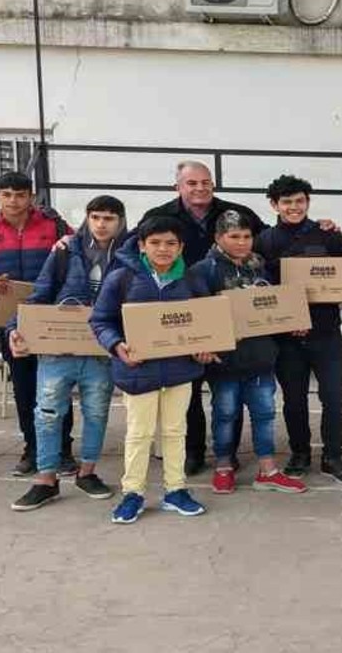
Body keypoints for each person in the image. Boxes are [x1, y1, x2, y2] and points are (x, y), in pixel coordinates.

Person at [137, 161, 265, 477]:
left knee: (229, 390)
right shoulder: (159, 216)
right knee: (188, 390)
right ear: (178, 186)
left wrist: (322, 225)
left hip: (231, 314)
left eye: (206, 182)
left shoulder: (235, 211)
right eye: (192, 183)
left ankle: (228, 454)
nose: (200, 188)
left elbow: (269, 243)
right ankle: (192, 451)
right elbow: (131, 250)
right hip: (183, 311)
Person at [90, 215, 215, 524]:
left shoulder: (192, 281)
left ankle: (176, 490)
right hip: (137, 372)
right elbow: (100, 320)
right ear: (142, 246)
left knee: (175, 432)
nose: (163, 249)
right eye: (155, 243)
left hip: (180, 371)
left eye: (171, 243)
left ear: (181, 247)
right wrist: (117, 345)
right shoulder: (122, 278)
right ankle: (132, 493)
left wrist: (206, 347)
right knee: (139, 434)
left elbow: (209, 323)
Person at [6, 195, 128, 511]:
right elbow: (40, 294)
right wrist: (15, 328)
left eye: (110, 218)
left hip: (101, 351)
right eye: (96, 217)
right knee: (47, 413)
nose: (102, 224)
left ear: (121, 222)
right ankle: (45, 479)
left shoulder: (130, 255)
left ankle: (87, 473)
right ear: (87, 218)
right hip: (57, 350)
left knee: (97, 412)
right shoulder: (64, 251)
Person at [255, 175, 342, 484]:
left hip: (326, 332)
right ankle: (300, 453)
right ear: (274, 205)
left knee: (336, 396)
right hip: (287, 337)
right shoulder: (264, 241)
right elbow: (262, 290)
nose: (294, 207)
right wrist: (286, 320)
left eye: (300, 201)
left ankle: (333, 456)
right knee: (293, 399)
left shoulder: (328, 235)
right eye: (287, 202)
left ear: (308, 202)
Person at [0, 171, 76, 477]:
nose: (14, 201)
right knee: (25, 388)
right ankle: (33, 448)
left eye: (20, 195)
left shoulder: (55, 226)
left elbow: (76, 261)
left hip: (51, 317)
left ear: (31, 197)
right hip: (9, 321)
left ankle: (63, 450)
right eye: (7, 195)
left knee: (59, 386)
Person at [195, 210, 306, 495]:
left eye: (246, 236)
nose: (242, 242)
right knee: (225, 414)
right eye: (234, 236)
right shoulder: (203, 271)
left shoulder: (260, 267)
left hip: (261, 358)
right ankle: (223, 467)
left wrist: (291, 322)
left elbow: (273, 306)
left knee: (265, 414)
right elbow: (197, 316)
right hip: (224, 362)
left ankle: (268, 470)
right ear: (219, 238)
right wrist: (203, 346)